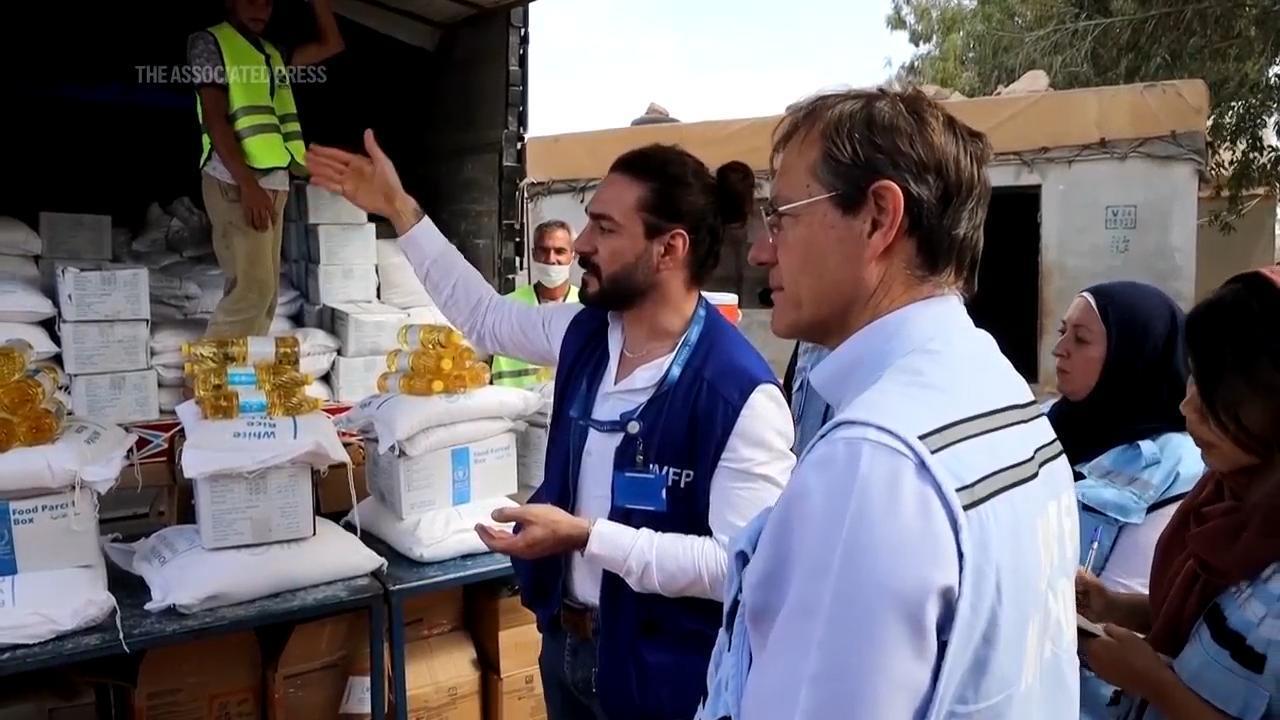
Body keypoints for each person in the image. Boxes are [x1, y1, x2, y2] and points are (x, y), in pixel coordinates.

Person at [307, 133, 796, 720]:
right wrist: (401, 210)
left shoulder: (739, 394)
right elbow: (484, 317)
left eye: (606, 229)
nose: (583, 244)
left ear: (670, 249)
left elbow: (735, 568)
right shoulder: (585, 334)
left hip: (662, 678)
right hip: (567, 644)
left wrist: (588, 537)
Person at [700, 88, 1079, 720]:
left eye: (783, 215)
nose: (764, 251)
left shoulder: (872, 463)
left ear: (878, 218)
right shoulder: (1002, 396)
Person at [1077, 266, 1280, 720]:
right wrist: (1115, 606)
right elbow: (1210, 616)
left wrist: (1154, 684)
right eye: (1195, 378)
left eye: (1219, 394)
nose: (1188, 405)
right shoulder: (1222, 497)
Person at [1047, 281, 1206, 718]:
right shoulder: (1043, 426)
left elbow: (1138, 596)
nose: (1059, 350)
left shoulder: (1179, 463)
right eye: (1062, 332)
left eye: (1080, 339)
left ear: (1132, 355)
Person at [188, 0, 343, 337]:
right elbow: (216, 121)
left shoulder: (272, 54)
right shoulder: (209, 42)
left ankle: (241, 379)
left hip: (273, 180)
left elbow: (332, 44)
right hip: (236, 181)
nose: (261, 8)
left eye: (268, 1)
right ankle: (210, 381)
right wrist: (248, 186)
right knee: (251, 291)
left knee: (267, 294)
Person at [491, 219, 580, 388]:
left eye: (560, 251)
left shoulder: (587, 308)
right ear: (533, 254)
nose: (551, 259)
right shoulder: (509, 307)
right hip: (516, 408)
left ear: (573, 255)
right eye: (544, 251)